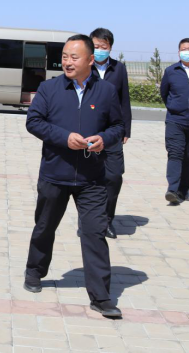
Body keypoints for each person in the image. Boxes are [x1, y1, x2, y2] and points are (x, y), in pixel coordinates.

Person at [23, 34, 124, 318]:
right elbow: (33, 121)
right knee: (45, 227)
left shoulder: (106, 91)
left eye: (74, 57)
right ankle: (34, 271)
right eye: (65, 56)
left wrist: (104, 139)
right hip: (55, 173)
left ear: (90, 60)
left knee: (94, 233)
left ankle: (101, 296)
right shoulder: (49, 88)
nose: (67, 62)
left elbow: (118, 126)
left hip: (93, 178)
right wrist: (64, 137)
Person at [75, 28, 132, 239]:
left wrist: (126, 129)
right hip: (87, 131)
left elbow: (124, 100)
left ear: (110, 47)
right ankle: (87, 222)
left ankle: (107, 221)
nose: (99, 49)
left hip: (113, 131)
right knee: (86, 178)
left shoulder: (119, 69)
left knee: (114, 177)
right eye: (96, 46)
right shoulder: (83, 66)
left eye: (103, 46)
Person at [160, 38, 189, 204]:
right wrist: (174, 107)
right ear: (179, 52)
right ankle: (172, 189)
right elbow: (164, 93)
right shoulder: (171, 71)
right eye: (183, 49)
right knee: (175, 153)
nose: (187, 52)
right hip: (175, 120)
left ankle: (183, 190)